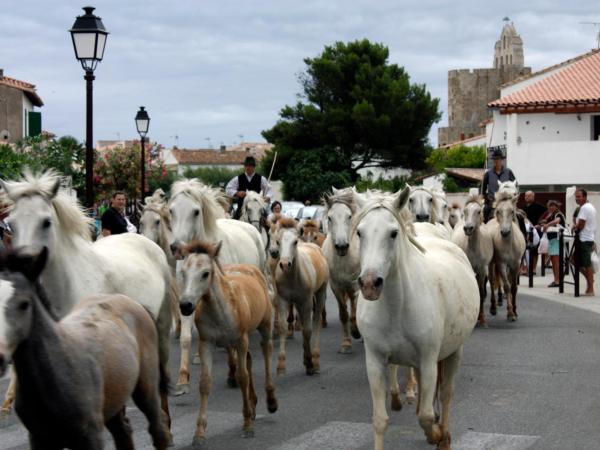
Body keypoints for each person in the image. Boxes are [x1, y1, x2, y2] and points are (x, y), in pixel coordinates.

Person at [572, 188, 597, 296]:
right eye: (576, 196)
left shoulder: (585, 208)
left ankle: (590, 288)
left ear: (585, 197)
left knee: (587, 264)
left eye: (579, 196)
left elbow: (581, 224)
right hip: (588, 238)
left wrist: (575, 226)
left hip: (584, 239)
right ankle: (590, 280)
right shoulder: (589, 207)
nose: (577, 199)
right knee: (573, 260)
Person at [481, 148, 516, 222]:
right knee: (484, 213)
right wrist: (487, 200)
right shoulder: (488, 174)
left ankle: (523, 232)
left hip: (507, 202)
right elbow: (482, 189)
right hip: (492, 203)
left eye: (498, 159)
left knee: (519, 216)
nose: (496, 161)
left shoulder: (508, 172)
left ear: (502, 160)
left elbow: (516, 185)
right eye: (494, 159)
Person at [541, 200, 566, 287]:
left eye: (553, 205)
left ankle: (558, 281)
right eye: (549, 206)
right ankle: (556, 279)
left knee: (556, 261)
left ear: (556, 206)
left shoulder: (558, 214)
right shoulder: (550, 215)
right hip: (552, 240)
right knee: (553, 260)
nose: (551, 207)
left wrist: (547, 225)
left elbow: (557, 221)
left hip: (556, 239)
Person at [523, 191, 547, 273]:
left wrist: (540, 224)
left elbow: (546, 216)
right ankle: (525, 268)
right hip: (525, 231)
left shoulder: (539, 206)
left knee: (535, 251)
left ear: (533, 196)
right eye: (526, 196)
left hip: (536, 231)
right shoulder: (523, 207)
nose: (527, 197)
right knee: (525, 250)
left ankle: (533, 269)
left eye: (529, 196)